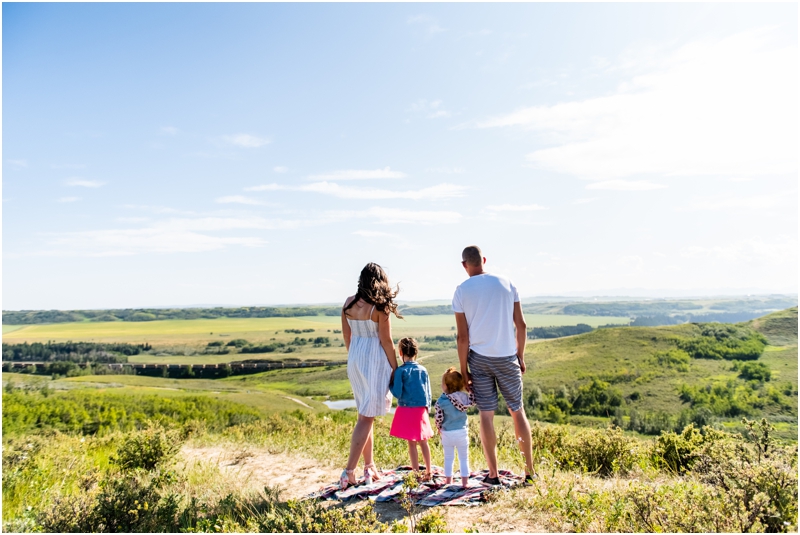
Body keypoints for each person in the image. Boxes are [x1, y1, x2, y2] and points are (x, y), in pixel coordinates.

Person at [453, 245, 536, 486]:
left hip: (479, 359)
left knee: (486, 416)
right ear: (484, 260)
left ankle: (493, 475)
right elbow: (521, 326)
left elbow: (462, 337)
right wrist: (520, 356)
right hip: (507, 357)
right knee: (517, 411)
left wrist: (463, 369)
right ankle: (529, 472)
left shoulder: (461, 290)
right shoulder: (507, 283)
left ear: (464, 265)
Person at [340, 262, 401, 489]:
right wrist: (395, 369)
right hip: (374, 362)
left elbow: (347, 337)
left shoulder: (348, 303)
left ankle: (369, 467)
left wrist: (355, 358)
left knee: (364, 416)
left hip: (355, 360)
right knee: (366, 417)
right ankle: (348, 472)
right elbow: (386, 341)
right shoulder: (380, 307)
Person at [389, 337, 433, 480]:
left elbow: (397, 393)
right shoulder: (424, 370)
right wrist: (428, 408)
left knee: (412, 443)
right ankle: (428, 471)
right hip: (421, 410)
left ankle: (415, 473)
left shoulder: (400, 371)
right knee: (424, 441)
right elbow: (428, 392)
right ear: (416, 352)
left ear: (400, 353)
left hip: (406, 409)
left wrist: (390, 383)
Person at [433, 367, 477, 487]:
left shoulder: (441, 401)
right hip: (462, 431)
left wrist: (438, 427)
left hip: (447, 433)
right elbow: (473, 401)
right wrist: (471, 389)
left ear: (446, 386)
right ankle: (465, 482)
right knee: (464, 458)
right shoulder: (463, 398)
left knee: (448, 458)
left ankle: (448, 481)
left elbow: (439, 417)